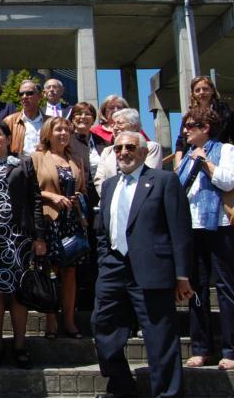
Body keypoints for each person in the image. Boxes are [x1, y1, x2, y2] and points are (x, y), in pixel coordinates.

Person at [92, 131, 193, 397]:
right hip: (113, 268)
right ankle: (122, 386)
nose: (123, 152)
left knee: (160, 338)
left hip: (152, 269)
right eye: (118, 148)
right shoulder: (110, 185)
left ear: (143, 151)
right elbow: (102, 229)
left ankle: (167, 393)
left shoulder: (164, 181)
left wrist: (182, 275)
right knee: (103, 329)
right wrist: (105, 259)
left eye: (129, 147)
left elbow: (179, 229)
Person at [0, 121, 46, 369]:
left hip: (19, 237)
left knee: (19, 293)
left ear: (7, 139)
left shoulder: (23, 163)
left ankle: (19, 345)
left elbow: (35, 199)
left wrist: (39, 236)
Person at [176, 108, 234, 369]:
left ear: (206, 127)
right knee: (196, 289)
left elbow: (228, 181)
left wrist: (206, 162)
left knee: (225, 288)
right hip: (192, 227)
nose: (186, 129)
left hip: (219, 226)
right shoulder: (186, 156)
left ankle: (230, 350)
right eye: (185, 125)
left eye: (191, 125)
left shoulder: (226, 150)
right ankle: (201, 348)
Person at [32, 117, 88, 340]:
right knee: (51, 272)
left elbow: (83, 189)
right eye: (59, 129)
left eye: (67, 130)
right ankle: (51, 321)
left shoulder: (76, 159)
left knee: (70, 273)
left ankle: (70, 321)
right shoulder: (38, 158)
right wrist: (52, 196)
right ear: (48, 133)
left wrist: (77, 198)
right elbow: (32, 189)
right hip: (49, 220)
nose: (64, 133)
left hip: (70, 221)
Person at [94, 108, 163, 195]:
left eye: (119, 124)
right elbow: (99, 180)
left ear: (134, 125)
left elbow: (148, 177)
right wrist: (111, 197)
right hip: (110, 201)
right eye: (113, 124)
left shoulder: (150, 147)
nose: (115, 128)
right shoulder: (107, 151)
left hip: (139, 200)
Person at [174, 75, 234, 169]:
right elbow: (180, 144)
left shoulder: (225, 111)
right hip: (193, 156)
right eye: (197, 90)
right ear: (193, 94)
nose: (201, 92)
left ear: (212, 90)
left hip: (219, 155)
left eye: (205, 89)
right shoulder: (189, 117)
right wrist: (178, 166)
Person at [4, 80, 48, 156]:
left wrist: (47, 148)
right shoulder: (9, 121)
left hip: (43, 164)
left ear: (40, 96)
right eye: (21, 94)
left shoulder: (49, 122)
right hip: (19, 165)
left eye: (29, 93)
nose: (24, 97)